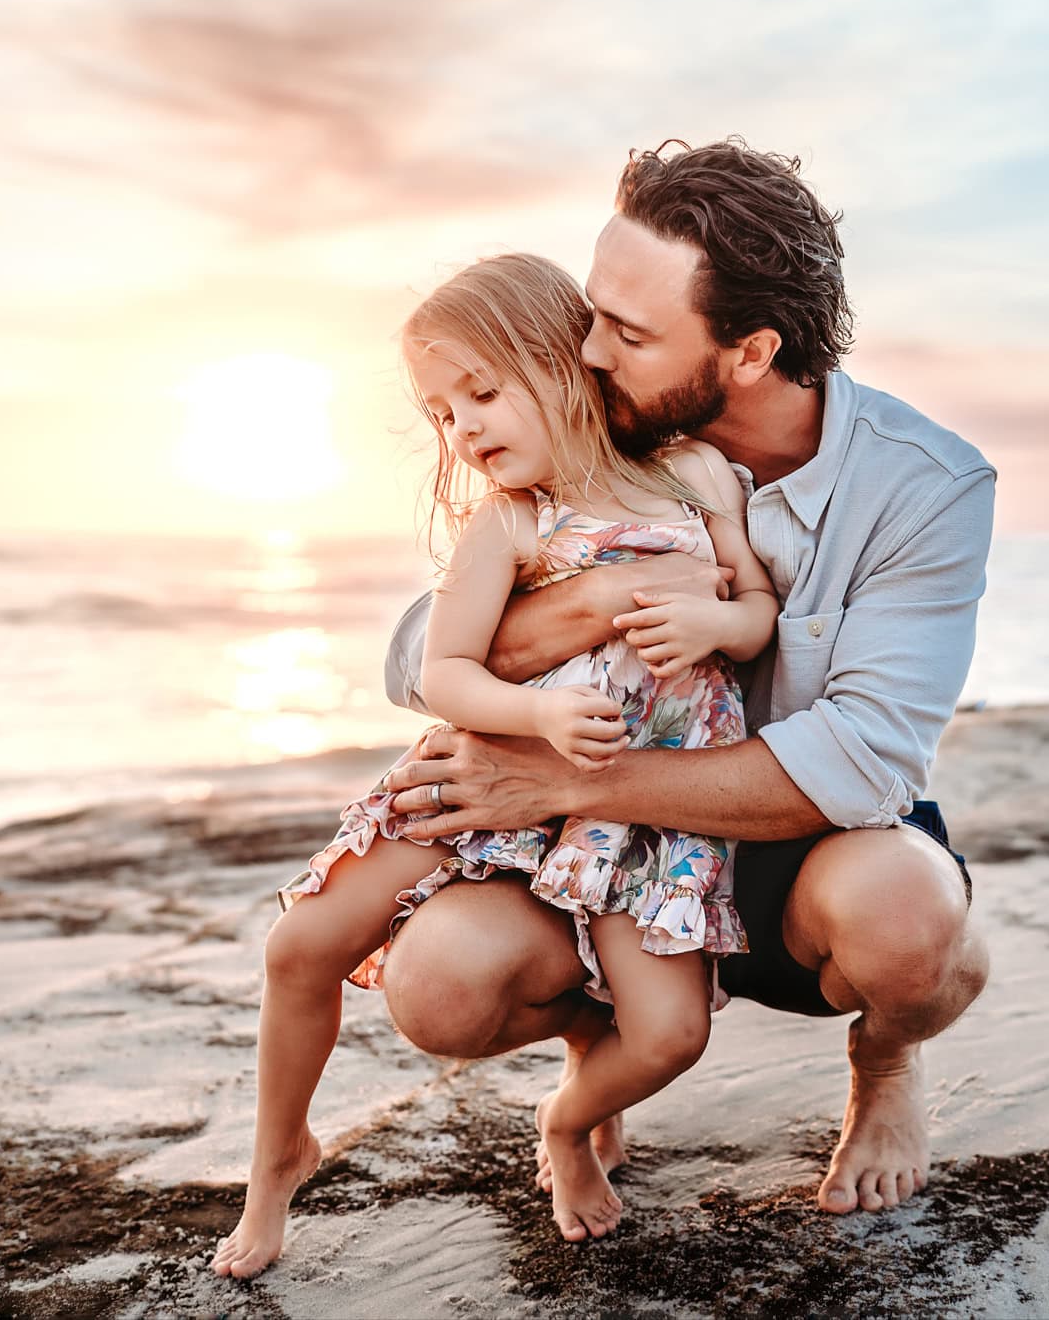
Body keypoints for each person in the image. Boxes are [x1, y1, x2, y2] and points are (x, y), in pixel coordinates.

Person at [378, 139, 996, 1218]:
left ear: (750, 351)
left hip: (798, 850)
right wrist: (587, 605)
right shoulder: (590, 423)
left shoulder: (925, 485)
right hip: (600, 856)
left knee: (909, 924)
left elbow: (859, 759)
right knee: (434, 988)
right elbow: (410, 658)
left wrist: (564, 784)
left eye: (627, 329)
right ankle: (597, 1037)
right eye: (593, 309)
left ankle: (886, 1063)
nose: (588, 350)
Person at [210, 251, 778, 1276]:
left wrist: (714, 619)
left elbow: (754, 614)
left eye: (480, 391)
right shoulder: (510, 522)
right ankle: (276, 1158)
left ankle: (567, 1119)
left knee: (667, 1033)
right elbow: (447, 672)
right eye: (439, 412)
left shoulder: (689, 474)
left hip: (634, 806)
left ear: (566, 363)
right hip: (493, 777)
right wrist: (536, 707)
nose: (461, 427)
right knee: (302, 944)